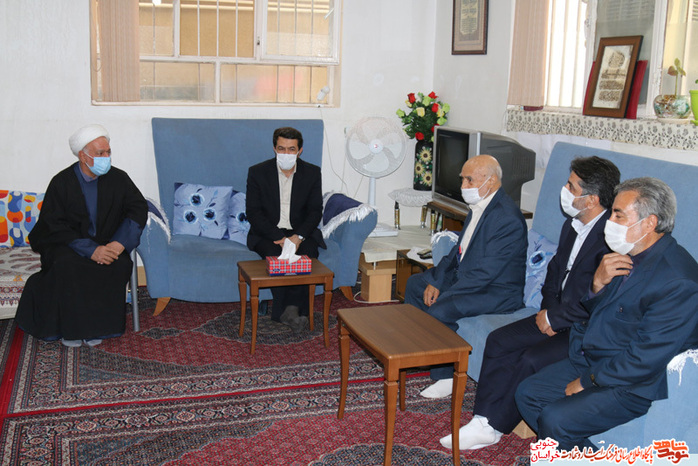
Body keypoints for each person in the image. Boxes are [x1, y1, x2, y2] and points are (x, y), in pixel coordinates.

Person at [440, 156, 620, 450]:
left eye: (571, 186)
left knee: (530, 359)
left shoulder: (610, 239)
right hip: (554, 313)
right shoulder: (573, 225)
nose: (564, 190)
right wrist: (547, 311)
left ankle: (494, 427)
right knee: (499, 340)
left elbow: (597, 298)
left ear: (592, 200)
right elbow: (555, 272)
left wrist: (556, 320)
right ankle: (481, 418)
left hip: (582, 327)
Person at [515, 177, 698, 451]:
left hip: (634, 382)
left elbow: (644, 359)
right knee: (528, 393)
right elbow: (597, 313)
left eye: (618, 215)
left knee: (556, 419)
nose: (609, 221)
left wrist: (589, 380)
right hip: (597, 358)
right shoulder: (627, 253)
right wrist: (596, 287)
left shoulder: (678, 281)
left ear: (649, 223)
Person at [405, 154, 528, 398]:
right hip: (471, 278)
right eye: (462, 179)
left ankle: (446, 376)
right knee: (416, 284)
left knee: (441, 309)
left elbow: (487, 273)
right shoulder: (479, 206)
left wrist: (446, 292)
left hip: (497, 291)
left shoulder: (507, 219)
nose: (463, 186)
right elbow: (458, 252)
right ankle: (420, 352)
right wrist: (436, 281)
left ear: (491, 181)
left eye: (470, 180)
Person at [15, 124, 147, 347]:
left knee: (119, 264)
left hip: (109, 243)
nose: (106, 157)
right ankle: (71, 331)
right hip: (69, 245)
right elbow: (52, 224)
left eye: (108, 152)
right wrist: (90, 250)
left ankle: (99, 328)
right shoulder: (62, 182)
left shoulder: (119, 178)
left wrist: (119, 243)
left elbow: (138, 209)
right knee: (67, 265)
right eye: (100, 153)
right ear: (83, 156)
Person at [246, 127, 325, 333]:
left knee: (306, 254)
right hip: (268, 233)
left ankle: (290, 310)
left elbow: (315, 210)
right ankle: (292, 312)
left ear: (300, 151)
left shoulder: (312, 172)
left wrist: (298, 237)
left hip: (300, 232)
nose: (286, 153)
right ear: (274, 148)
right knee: (276, 256)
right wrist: (279, 237)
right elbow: (253, 212)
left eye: (291, 149)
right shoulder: (257, 172)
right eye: (281, 148)